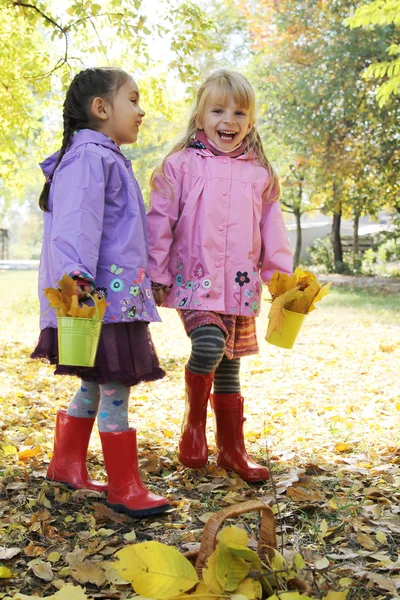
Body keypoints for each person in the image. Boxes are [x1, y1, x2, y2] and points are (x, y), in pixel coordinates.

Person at [31, 67, 169, 517]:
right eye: (133, 98)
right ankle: (124, 486)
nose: (141, 109)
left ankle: (66, 463)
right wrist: (78, 279)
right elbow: (77, 223)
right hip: (100, 299)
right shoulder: (92, 157)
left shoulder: (103, 155)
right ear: (102, 108)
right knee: (114, 387)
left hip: (114, 295)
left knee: (95, 382)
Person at [146, 69, 293, 483]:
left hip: (241, 284)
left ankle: (232, 449)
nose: (228, 119)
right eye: (218, 110)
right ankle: (193, 425)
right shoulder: (179, 166)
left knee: (230, 365)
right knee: (210, 344)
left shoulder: (260, 174)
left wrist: (281, 280)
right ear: (200, 117)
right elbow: (160, 221)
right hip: (195, 281)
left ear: (250, 121)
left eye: (239, 112)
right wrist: (156, 270)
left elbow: (272, 230)